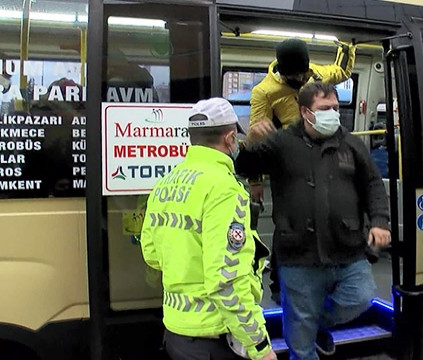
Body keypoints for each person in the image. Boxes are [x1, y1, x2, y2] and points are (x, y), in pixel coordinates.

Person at [236, 82, 391, 360]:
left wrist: (380, 220)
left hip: (347, 248)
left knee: (361, 296)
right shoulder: (282, 142)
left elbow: (372, 184)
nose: (333, 113)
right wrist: (250, 143)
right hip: (298, 254)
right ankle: (305, 329)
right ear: (305, 112)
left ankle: (314, 324)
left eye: (335, 107)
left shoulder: (351, 143)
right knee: (302, 347)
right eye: (324, 109)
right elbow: (244, 168)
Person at [139, 97, 276, 360]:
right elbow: (226, 282)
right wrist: (260, 346)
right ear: (229, 138)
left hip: (176, 333)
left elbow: (152, 254)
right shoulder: (224, 188)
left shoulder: (166, 183)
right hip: (215, 339)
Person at [249, 38, 357, 303]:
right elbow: (256, 136)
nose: (299, 77)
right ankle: (278, 286)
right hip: (288, 161)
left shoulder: (317, 74)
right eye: (293, 73)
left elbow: (341, 71)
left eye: (301, 71)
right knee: (286, 224)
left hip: (321, 157)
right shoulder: (264, 92)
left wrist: (348, 45)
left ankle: (324, 280)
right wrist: (255, 181)